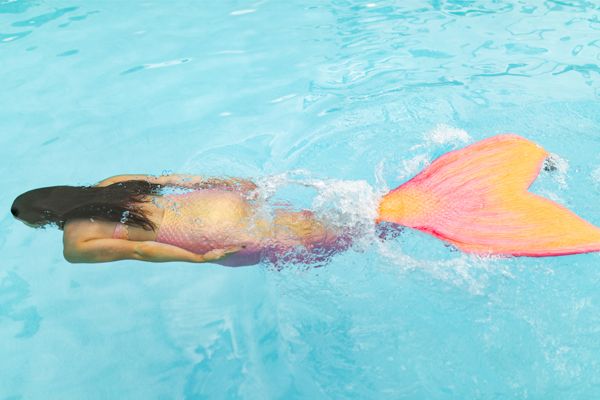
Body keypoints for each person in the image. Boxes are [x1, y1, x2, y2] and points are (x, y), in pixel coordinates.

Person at [11, 134, 600, 264]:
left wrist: (203, 260)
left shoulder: (76, 242)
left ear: (46, 219)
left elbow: (144, 253)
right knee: (337, 216)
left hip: (218, 236)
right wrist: (244, 187)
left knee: (353, 232)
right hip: (231, 202)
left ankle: (458, 212)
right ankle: (518, 171)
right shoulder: (111, 181)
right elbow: (180, 182)